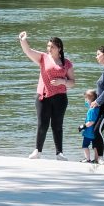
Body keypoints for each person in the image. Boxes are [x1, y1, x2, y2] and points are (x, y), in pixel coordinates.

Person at [18, 31, 75, 160]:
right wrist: (23, 40)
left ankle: (59, 153)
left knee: (57, 125)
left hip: (60, 98)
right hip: (43, 96)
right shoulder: (43, 58)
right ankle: (37, 151)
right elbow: (28, 51)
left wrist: (62, 81)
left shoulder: (67, 63)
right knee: (42, 124)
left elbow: (72, 83)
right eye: (48, 46)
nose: (49, 49)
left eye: (52, 47)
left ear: (59, 48)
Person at [78, 89, 99, 163]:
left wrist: (82, 126)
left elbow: (91, 122)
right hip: (95, 132)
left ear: (89, 99)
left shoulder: (91, 110)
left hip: (88, 133)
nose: (85, 100)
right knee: (95, 146)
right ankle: (96, 160)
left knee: (85, 145)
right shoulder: (97, 108)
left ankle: (87, 159)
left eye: (86, 99)